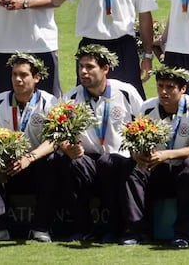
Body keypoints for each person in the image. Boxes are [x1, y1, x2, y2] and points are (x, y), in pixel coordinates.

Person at [58, 44, 144, 243]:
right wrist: (67, 147)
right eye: (80, 67)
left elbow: (144, 124)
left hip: (120, 160)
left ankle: (113, 229)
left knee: (108, 162)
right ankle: (82, 228)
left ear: (105, 69)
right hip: (88, 159)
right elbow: (58, 134)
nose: (83, 72)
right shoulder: (71, 98)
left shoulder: (126, 92)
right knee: (69, 163)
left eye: (89, 67)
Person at [0, 53, 59, 242]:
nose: (18, 79)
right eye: (14, 74)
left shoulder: (49, 103)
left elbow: (55, 139)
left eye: (24, 75)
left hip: (35, 164)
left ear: (37, 78)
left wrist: (29, 158)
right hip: (6, 166)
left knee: (52, 161)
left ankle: (40, 228)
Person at [124, 65, 189, 248]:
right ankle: (137, 232)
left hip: (180, 165)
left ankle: (182, 234)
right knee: (134, 171)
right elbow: (135, 142)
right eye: (160, 86)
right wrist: (137, 155)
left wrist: (167, 154)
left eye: (170, 87)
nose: (164, 92)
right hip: (156, 166)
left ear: (183, 89)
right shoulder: (147, 108)